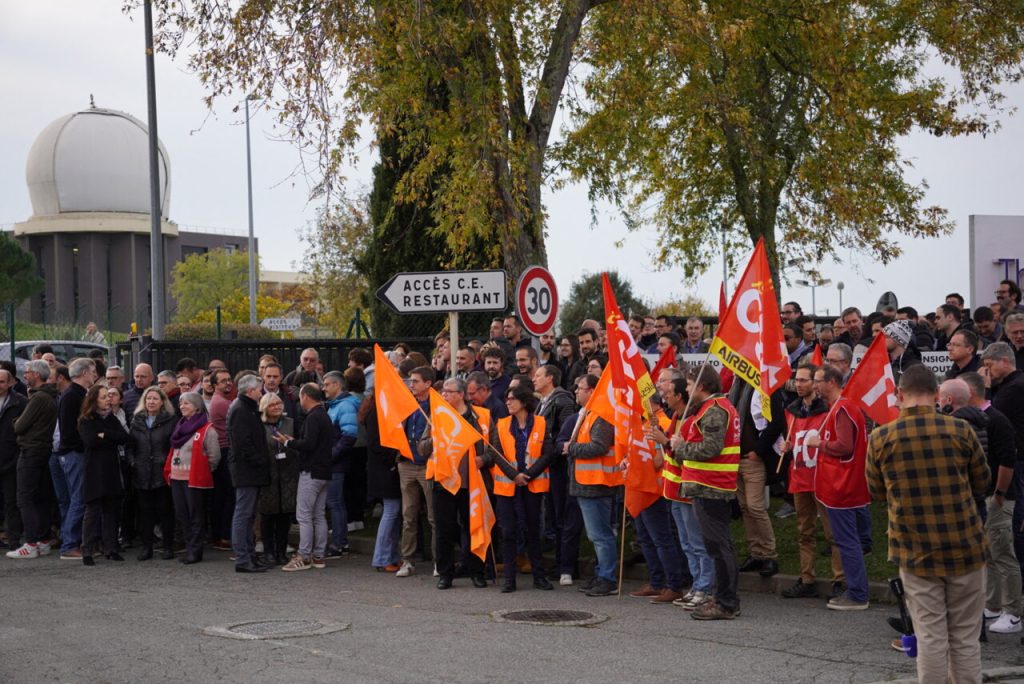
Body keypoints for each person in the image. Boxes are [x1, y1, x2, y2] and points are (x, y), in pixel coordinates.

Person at [866, 365, 989, 682]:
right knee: (964, 638)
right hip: (966, 547)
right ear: (937, 395)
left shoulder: (880, 438)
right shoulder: (960, 431)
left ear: (899, 395)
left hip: (915, 550)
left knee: (931, 637)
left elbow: (876, 491)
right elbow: (982, 481)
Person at [673, 364, 742, 620]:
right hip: (709, 484)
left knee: (718, 547)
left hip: (711, 486)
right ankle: (723, 597)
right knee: (718, 546)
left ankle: (726, 602)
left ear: (701, 386)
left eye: (689, 385)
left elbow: (711, 448)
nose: (687, 390)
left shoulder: (714, 411)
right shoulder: (715, 408)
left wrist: (681, 448)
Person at [805, 365, 871, 611]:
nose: (814, 386)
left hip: (841, 485)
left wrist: (819, 443)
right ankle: (858, 587)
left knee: (847, 542)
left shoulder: (843, 408)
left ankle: (857, 594)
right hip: (849, 484)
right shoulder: (845, 407)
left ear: (832, 382)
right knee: (853, 540)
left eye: (818, 381)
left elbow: (844, 446)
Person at [645, 372, 713, 610]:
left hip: (687, 488)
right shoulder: (676, 416)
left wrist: (664, 441)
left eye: (668, 392)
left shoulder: (689, 418)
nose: (664, 395)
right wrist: (662, 442)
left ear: (680, 395)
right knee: (686, 543)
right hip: (674, 488)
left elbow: (683, 452)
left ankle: (705, 587)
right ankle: (696, 585)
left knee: (697, 543)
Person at [420, 376, 492, 590]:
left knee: (474, 528)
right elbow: (422, 448)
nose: (444, 395)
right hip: (443, 481)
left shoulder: (481, 417)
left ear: (461, 395)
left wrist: (484, 459)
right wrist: (435, 439)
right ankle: (445, 573)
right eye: (443, 392)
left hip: (472, 482)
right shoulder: (436, 417)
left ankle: (477, 571)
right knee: (444, 530)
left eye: (448, 392)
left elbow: (494, 447)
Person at [778, 364, 843, 599]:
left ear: (814, 384)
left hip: (822, 478)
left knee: (832, 532)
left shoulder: (828, 409)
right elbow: (795, 439)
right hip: (800, 476)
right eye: (797, 380)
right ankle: (807, 578)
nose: (799, 384)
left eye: (804, 380)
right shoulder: (792, 410)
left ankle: (840, 580)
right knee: (804, 531)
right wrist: (788, 447)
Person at [490, 383, 555, 592]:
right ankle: (510, 579)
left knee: (533, 530)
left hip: (532, 485)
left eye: (512, 399)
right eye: (507, 399)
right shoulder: (500, 425)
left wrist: (529, 474)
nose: (507, 402)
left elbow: (548, 452)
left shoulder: (541, 423)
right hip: (507, 487)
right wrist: (514, 475)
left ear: (524, 402)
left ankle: (539, 576)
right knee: (508, 531)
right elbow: (495, 453)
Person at [566, 373, 623, 597]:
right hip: (587, 483)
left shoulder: (602, 416)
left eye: (580, 388)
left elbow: (598, 446)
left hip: (597, 484)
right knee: (596, 535)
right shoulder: (589, 414)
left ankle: (608, 578)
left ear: (592, 391)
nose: (576, 391)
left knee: (601, 535)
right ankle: (601, 574)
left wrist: (570, 448)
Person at [274, 383, 333, 572]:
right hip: (324, 471)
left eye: (300, 397)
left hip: (311, 471)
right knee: (318, 515)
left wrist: (288, 442)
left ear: (306, 396)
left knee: (305, 515)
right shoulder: (324, 415)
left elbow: (308, 444)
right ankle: (319, 555)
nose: (300, 401)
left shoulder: (313, 417)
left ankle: (304, 556)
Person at [7, 361, 58, 559]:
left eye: (27, 372)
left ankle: (30, 543)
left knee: (25, 497)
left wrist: (16, 422)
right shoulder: (48, 397)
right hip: (42, 450)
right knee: (40, 497)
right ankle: (43, 539)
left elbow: (19, 426)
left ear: (36, 374)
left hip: (31, 451)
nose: (24, 375)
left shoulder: (39, 399)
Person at [164, 392, 221, 565]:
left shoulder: (207, 429)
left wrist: (202, 471)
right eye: (181, 404)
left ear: (197, 406)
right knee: (182, 515)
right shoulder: (180, 426)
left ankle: (195, 550)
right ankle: (190, 547)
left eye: (186, 404)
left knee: (195, 515)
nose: (182, 407)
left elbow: (214, 457)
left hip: (194, 480)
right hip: (176, 478)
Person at [78, 384, 130, 565]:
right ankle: (87, 550)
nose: (107, 399)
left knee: (111, 510)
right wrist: (107, 438)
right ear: (93, 400)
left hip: (112, 470)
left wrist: (105, 434)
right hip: (94, 470)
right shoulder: (87, 420)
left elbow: (124, 437)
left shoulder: (111, 418)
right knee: (92, 511)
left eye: (108, 396)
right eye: (103, 397)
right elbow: (91, 441)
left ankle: (111, 548)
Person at [227, 374, 272, 573]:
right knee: (244, 513)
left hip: (250, 469)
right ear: (249, 390)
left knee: (248, 514)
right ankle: (243, 557)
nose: (261, 393)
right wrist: (260, 460)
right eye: (258, 389)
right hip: (247, 470)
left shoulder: (246, 408)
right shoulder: (241, 410)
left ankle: (249, 554)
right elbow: (242, 443)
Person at [395, 367, 437, 578]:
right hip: (407, 464)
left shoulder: (436, 406)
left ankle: (439, 560)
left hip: (428, 464)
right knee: (408, 515)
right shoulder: (407, 403)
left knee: (433, 515)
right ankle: (407, 560)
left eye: (415, 381)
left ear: (428, 383)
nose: (411, 385)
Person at [129, 386, 178, 561]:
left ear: (162, 402)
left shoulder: (170, 420)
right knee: (145, 512)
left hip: (161, 471)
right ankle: (146, 547)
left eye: (155, 399)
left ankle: (167, 546)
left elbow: (172, 445)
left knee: (165, 511)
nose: (151, 402)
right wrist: (133, 462)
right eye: (148, 398)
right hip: (141, 471)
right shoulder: (137, 420)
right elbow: (131, 445)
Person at [55, 357, 97, 561]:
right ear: (83, 373)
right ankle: (70, 544)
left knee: (77, 498)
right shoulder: (73, 395)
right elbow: (70, 430)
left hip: (73, 453)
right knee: (79, 498)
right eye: (92, 371)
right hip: (74, 454)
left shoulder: (74, 394)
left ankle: (73, 541)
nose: (94, 375)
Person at [323, 369, 362, 557]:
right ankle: (340, 540)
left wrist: (330, 456)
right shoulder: (335, 404)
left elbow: (348, 436)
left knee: (335, 502)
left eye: (327, 384)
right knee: (335, 502)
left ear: (337, 385)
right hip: (335, 461)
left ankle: (339, 542)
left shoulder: (344, 406)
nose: (324, 388)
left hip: (336, 463)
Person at [257, 393, 299, 567]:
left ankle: (281, 552)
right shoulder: (260, 425)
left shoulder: (290, 423)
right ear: (265, 407)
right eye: (272, 404)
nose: (277, 406)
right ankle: (268, 552)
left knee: (284, 515)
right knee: (268, 515)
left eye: (279, 403)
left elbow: (298, 444)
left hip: (288, 474)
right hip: (268, 475)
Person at [361, 396, 402, 572]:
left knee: (393, 512)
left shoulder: (376, 410)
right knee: (391, 512)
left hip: (384, 469)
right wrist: (393, 460)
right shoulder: (378, 413)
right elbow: (376, 443)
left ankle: (389, 556)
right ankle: (383, 557)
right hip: (386, 470)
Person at [0, 369, 27, 552]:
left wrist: (16, 457)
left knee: (11, 502)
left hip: (10, 459)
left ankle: (14, 539)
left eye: (2, 381)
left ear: (10, 383)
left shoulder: (20, 403)